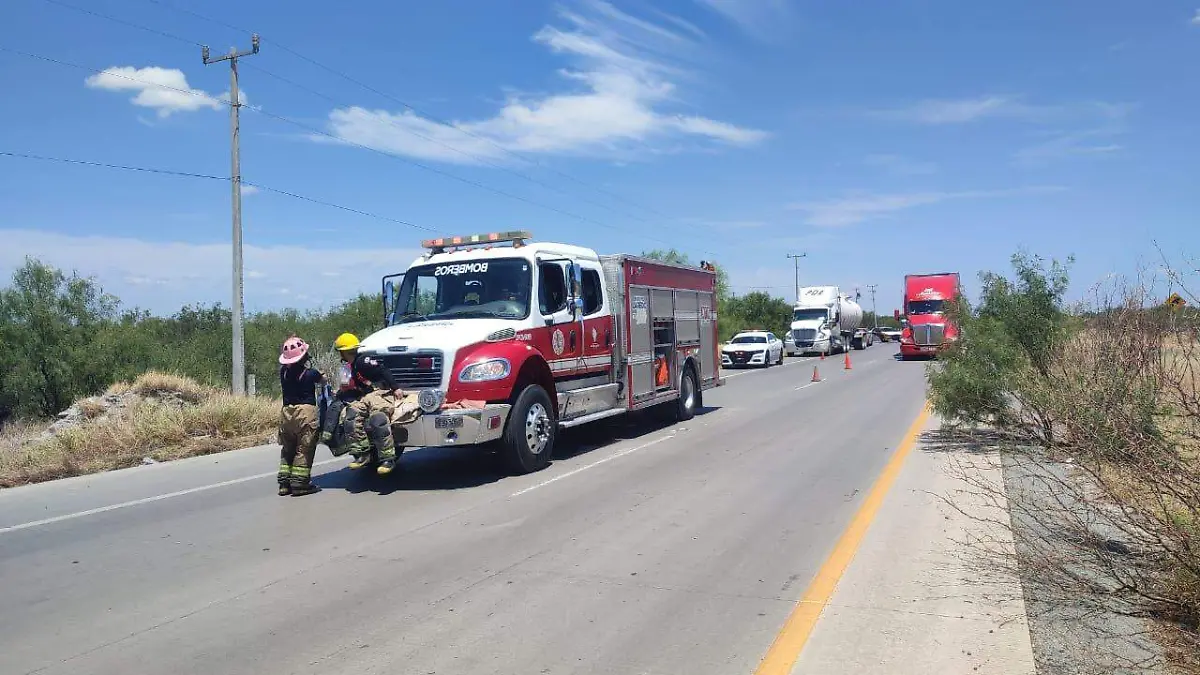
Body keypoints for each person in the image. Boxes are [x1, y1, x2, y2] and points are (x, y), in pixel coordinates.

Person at [331, 332, 403, 475]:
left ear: (345, 352)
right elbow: (360, 385)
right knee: (351, 415)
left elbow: (384, 370)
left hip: (380, 392)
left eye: (341, 352)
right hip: (367, 395)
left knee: (378, 419)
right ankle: (362, 454)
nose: (340, 356)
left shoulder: (363, 361)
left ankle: (388, 458)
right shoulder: (353, 366)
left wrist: (396, 387)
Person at [277, 335, 325, 496]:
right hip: (305, 413)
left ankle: (284, 483)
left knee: (288, 448)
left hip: (286, 413)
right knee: (304, 448)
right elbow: (323, 380)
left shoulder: (283, 372)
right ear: (303, 355)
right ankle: (300, 484)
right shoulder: (310, 373)